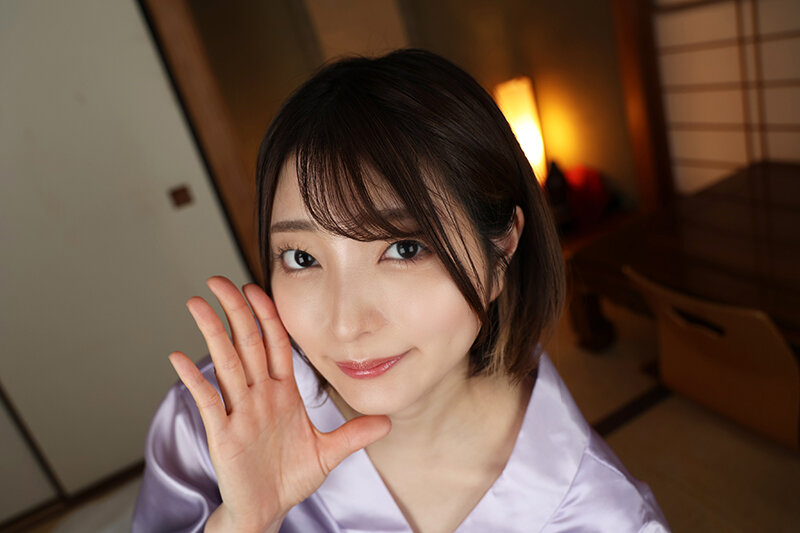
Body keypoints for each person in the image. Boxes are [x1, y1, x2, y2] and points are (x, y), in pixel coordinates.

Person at [132, 49, 668, 532]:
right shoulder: (213, 424)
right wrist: (244, 523)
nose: (346, 324)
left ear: (500, 251)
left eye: (405, 249)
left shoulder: (603, 518)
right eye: (302, 258)